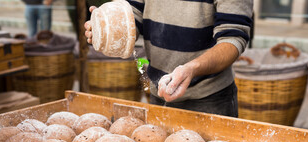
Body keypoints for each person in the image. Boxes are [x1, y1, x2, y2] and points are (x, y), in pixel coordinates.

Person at [85, 0, 253, 117]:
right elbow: (134, 12)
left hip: (208, 99)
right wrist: (110, 28)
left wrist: (192, 68)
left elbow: (233, 38)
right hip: (159, 92)